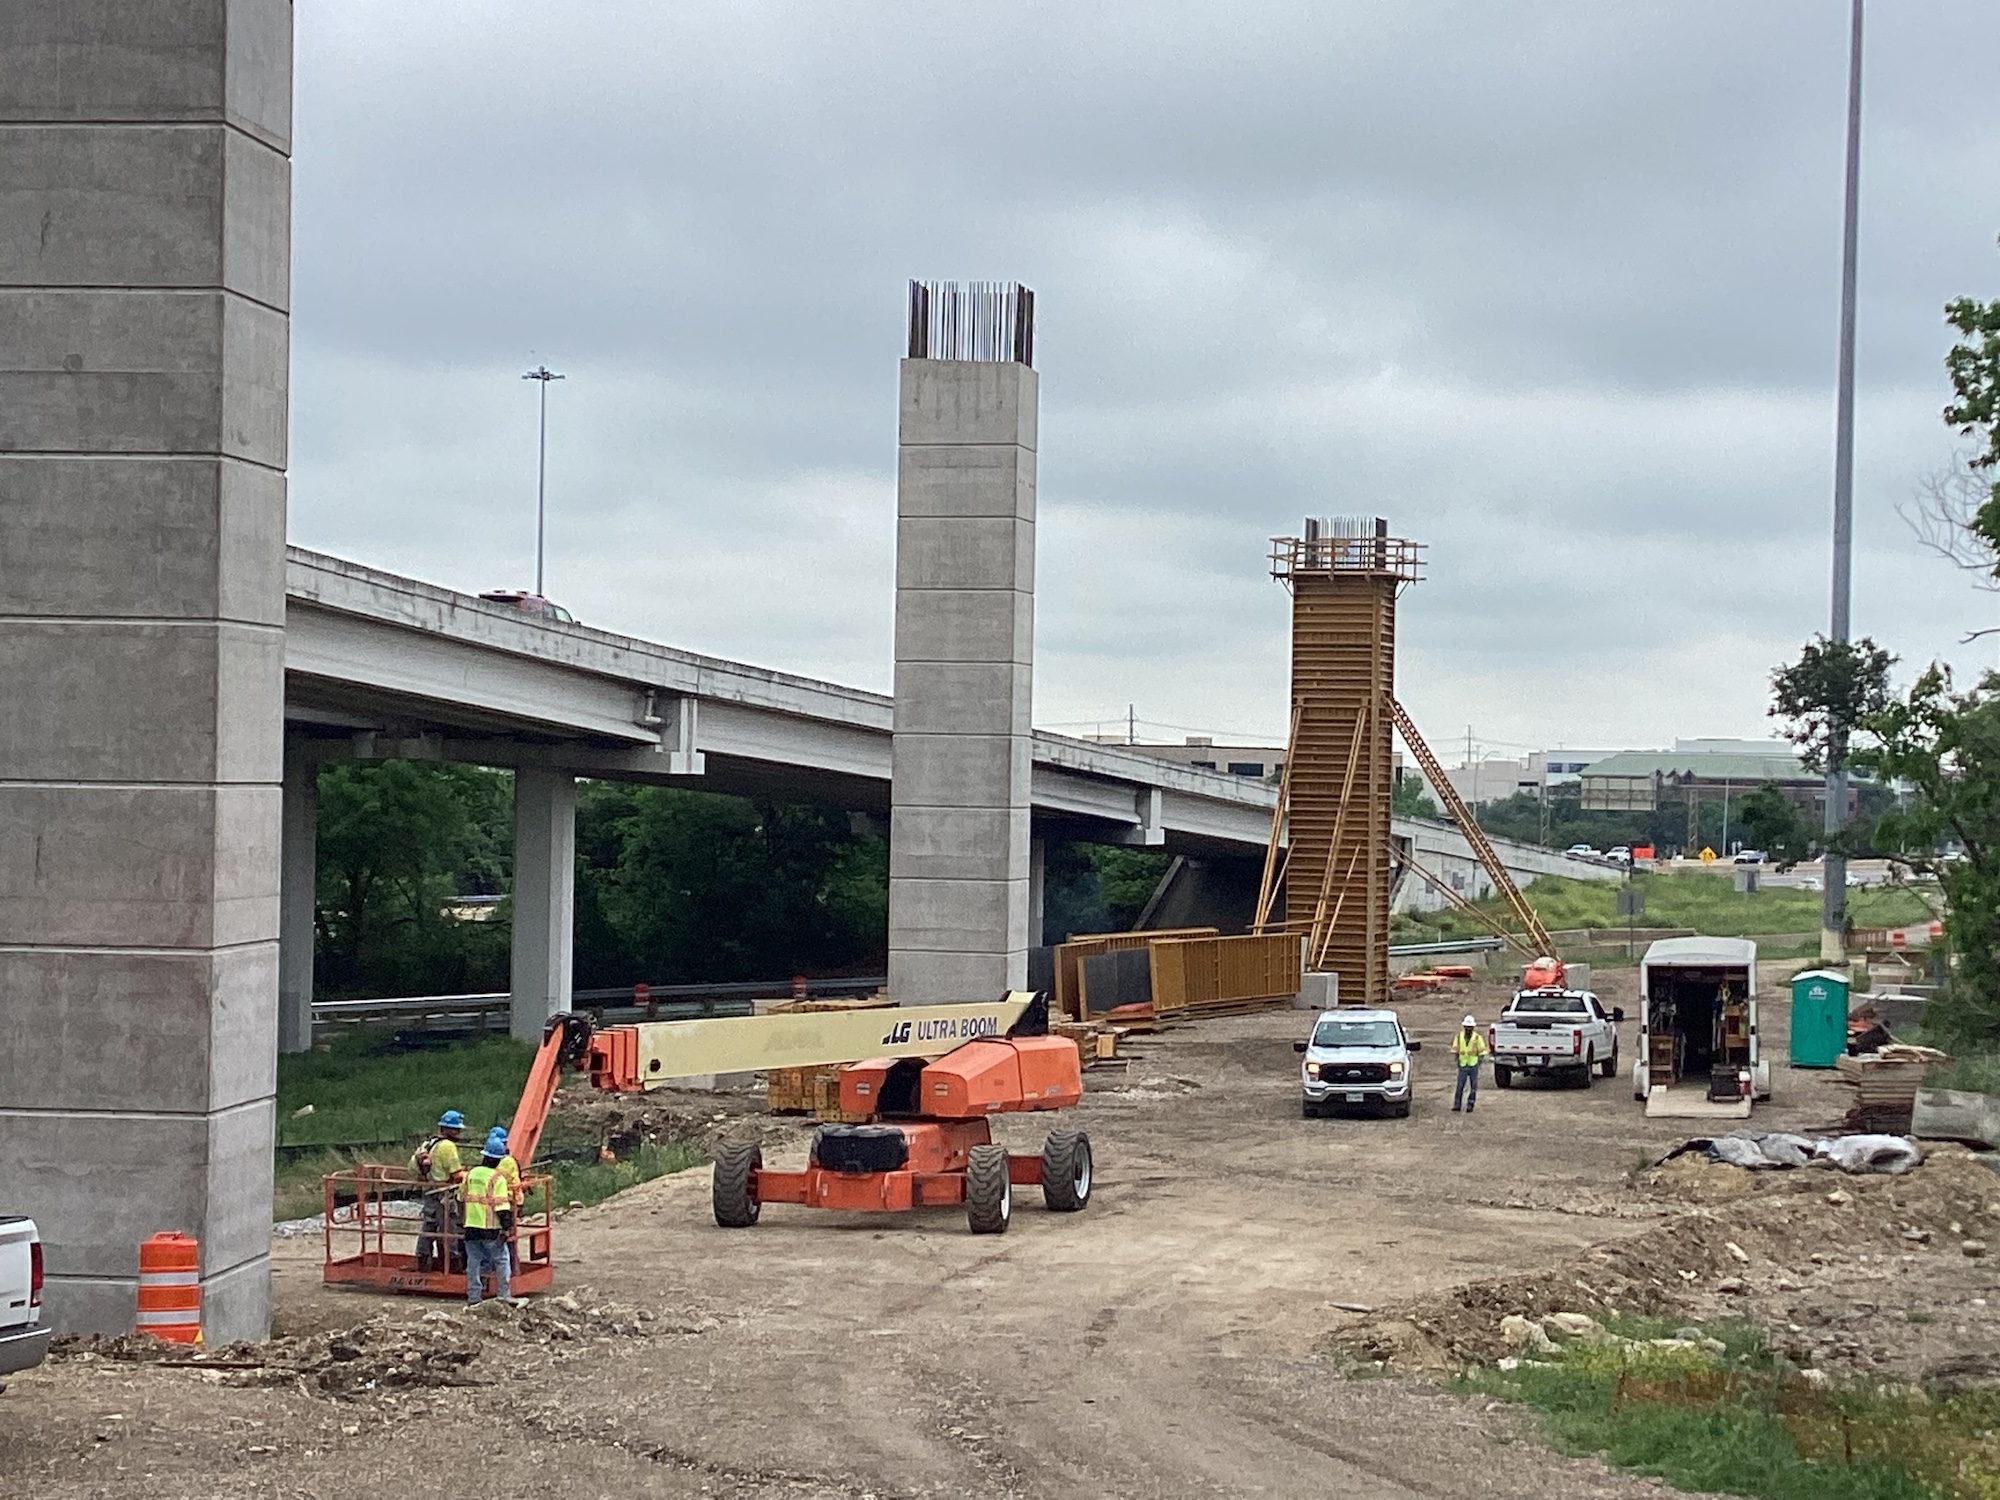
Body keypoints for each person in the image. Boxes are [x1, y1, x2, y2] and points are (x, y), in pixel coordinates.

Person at [410, 1109, 466, 1272]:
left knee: (429, 1226)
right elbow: (456, 1175)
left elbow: (414, 1169)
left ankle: (422, 1262)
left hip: (429, 1191)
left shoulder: (429, 1143)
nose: (458, 1132)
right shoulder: (448, 1146)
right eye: (456, 1129)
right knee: (449, 1230)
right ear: (446, 1129)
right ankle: (453, 1266)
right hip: (444, 1193)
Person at [460, 1140, 514, 1307]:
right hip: (490, 1228)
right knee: (502, 1259)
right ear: (498, 1160)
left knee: (473, 1262)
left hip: (471, 1227)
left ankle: (474, 1298)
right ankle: (503, 1296)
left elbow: (461, 1197)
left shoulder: (470, 1174)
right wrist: (507, 1228)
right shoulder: (497, 1178)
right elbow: (502, 1206)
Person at [485, 1126, 523, 1271]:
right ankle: (508, 1268)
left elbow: (492, 1177)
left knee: (506, 1238)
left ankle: (512, 1269)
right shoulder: (504, 1160)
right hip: (503, 1200)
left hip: (508, 1201)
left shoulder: (506, 1161)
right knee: (502, 1237)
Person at [1450, 1015, 1489, 1114]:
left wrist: (1478, 1062)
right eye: (1467, 1027)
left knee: (1473, 1087)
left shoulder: (1477, 1038)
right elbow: (1455, 1050)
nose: (1468, 1029)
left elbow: (1482, 1052)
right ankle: (1457, 1105)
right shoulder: (1458, 1037)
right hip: (1463, 1064)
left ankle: (1470, 1105)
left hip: (1473, 1064)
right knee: (1460, 1086)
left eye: (1470, 1027)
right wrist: (1458, 1061)